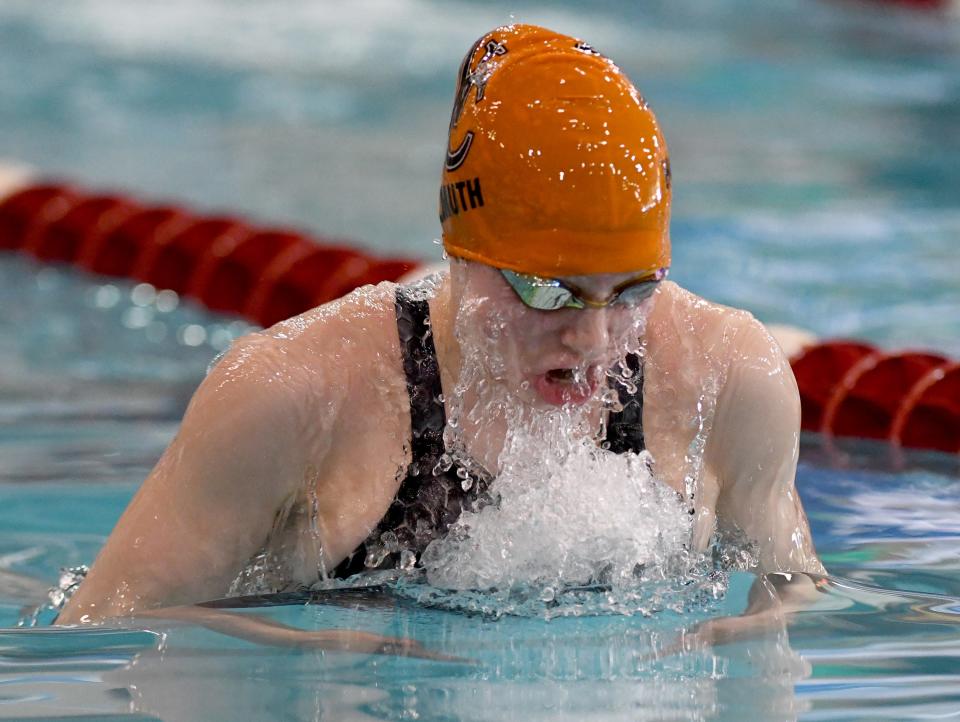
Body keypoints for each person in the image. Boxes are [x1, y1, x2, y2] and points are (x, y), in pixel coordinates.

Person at [58, 24, 824, 628]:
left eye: (629, 292)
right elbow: (102, 635)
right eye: (548, 294)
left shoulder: (727, 380)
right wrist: (313, 644)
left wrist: (724, 635)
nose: (593, 341)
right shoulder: (294, 397)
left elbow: (794, 604)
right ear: (461, 254)